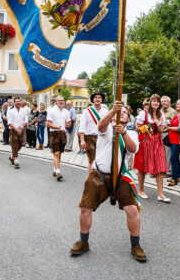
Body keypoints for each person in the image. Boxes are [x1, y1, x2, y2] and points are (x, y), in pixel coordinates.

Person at [70, 102, 147, 262]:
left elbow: (132, 149)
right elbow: (100, 126)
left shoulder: (131, 133)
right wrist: (113, 111)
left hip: (120, 176)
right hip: (99, 174)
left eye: (125, 112)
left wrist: (124, 133)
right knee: (85, 208)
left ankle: (135, 246)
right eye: (121, 111)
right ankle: (83, 242)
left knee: (132, 210)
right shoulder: (106, 128)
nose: (122, 113)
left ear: (128, 117)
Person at [134, 94, 170, 202]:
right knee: (142, 166)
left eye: (157, 101)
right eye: (153, 101)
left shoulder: (161, 114)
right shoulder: (143, 113)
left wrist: (159, 125)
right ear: (150, 102)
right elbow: (137, 127)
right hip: (145, 141)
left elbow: (160, 131)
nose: (155, 103)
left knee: (160, 166)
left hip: (157, 142)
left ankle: (161, 194)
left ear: (159, 103)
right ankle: (141, 190)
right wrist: (147, 127)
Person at [79, 92, 106, 173]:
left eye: (99, 97)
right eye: (96, 97)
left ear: (102, 100)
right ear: (93, 100)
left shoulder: (105, 111)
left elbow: (107, 125)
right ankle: (91, 179)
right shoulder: (87, 111)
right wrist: (82, 140)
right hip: (89, 138)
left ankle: (99, 177)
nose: (97, 99)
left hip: (102, 138)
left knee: (101, 160)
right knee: (92, 160)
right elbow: (82, 127)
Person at [47, 96, 71, 180]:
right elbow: (48, 124)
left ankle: (55, 168)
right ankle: (58, 171)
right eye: (59, 100)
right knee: (56, 153)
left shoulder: (66, 112)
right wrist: (57, 127)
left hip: (62, 133)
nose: (61, 102)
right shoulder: (51, 110)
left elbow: (68, 123)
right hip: (54, 133)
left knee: (60, 152)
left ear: (64, 101)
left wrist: (68, 124)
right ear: (56, 101)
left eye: (62, 100)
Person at [8, 98, 28, 169]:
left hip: (21, 130)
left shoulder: (23, 111)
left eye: (19, 101)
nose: (18, 102)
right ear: (14, 103)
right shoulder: (11, 111)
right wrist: (16, 129)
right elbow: (9, 122)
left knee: (20, 145)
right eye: (16, 101)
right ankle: (16, 162)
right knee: (15, 145)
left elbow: (26, 120)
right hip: (13, 131)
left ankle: (12, 156)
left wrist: (22, 126)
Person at [161, 96, 177, 176]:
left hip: (168, 134)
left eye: (165, 101)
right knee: (161, 153)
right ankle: (163, 169)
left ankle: (169, 171)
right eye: (162, 101)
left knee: (168, 152)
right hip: (160, 133)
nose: (163, 103)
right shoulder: (160, 111)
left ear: (169, 102)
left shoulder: (173, 112)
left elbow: (175, 123)